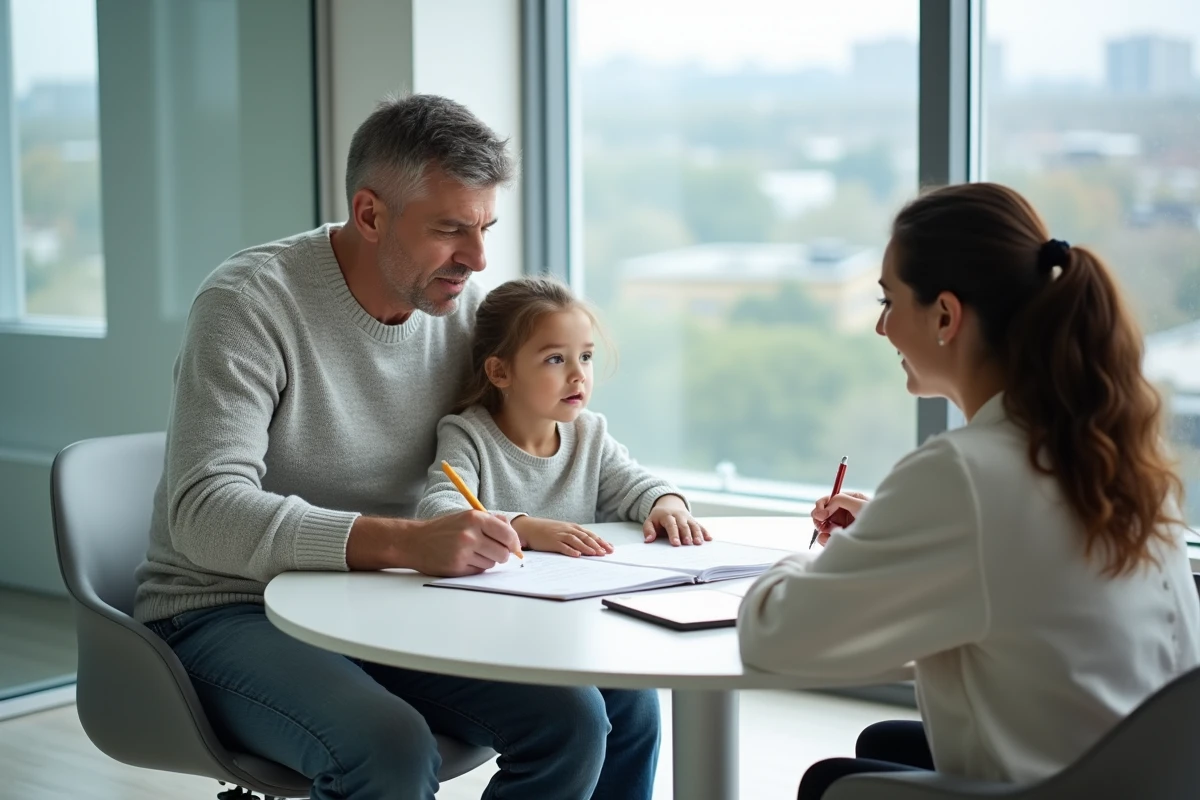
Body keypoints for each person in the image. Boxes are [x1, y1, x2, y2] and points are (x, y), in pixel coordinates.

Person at [134, 94, 659, 800]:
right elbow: (205, 512)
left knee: (600, 712)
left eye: (484, 229)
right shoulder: (251, 304)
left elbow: (515, 446)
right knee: (391, 749)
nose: (476, 259)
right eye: (450, 230)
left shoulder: (463, 311)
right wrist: (408, 544)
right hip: (227, 605)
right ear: (371, 212)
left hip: (383, 600)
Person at [736, 182, 1200, 800]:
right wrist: (892, 528)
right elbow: (1017, 551)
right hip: (1141, 775)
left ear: (946, 316)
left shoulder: (965, 474)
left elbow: (772, 636)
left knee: (834, 783)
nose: (881, 326)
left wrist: (811, 558)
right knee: (884, 744)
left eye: (888, 299)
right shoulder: (1113, 457)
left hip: (1059, 785)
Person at [416, 275, 710, 553]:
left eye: (585, 357)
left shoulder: (588, 434)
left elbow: (635, 484)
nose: (578, 374)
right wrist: (525, 529)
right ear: (500, 371)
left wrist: (667, 503)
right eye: (555, 359)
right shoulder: (468, 436)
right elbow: (439, 508)